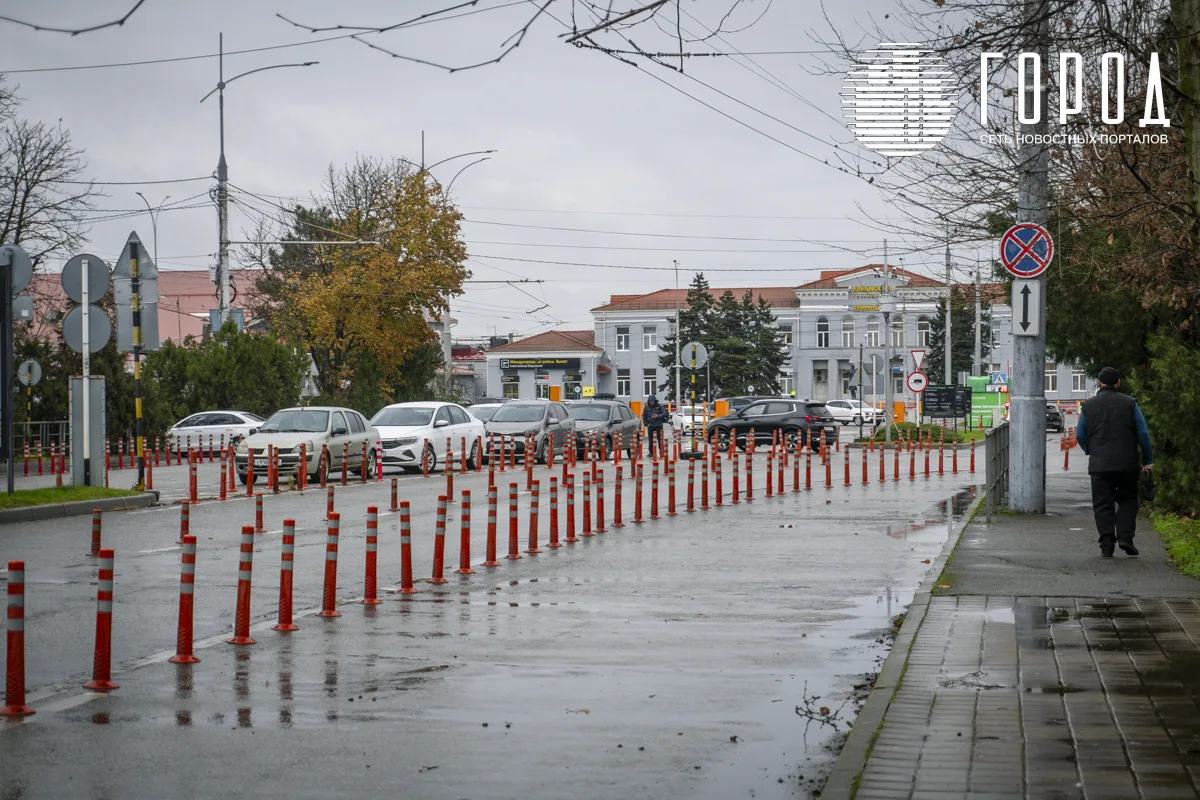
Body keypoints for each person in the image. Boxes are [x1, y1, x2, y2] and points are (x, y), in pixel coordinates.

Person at [1076, 366, 1153, 557]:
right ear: (1118, 383)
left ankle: (1107, 545)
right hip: (1127, 463)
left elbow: (1080, 434)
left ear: (1099, 382)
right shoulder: (1130, 403)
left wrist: (1091, 450)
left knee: (1102, 504)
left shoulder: (1088, 406)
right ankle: (1126, 538)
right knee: (1127, 500)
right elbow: (1143, 433)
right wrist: (1147, 459)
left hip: (1099, 465)